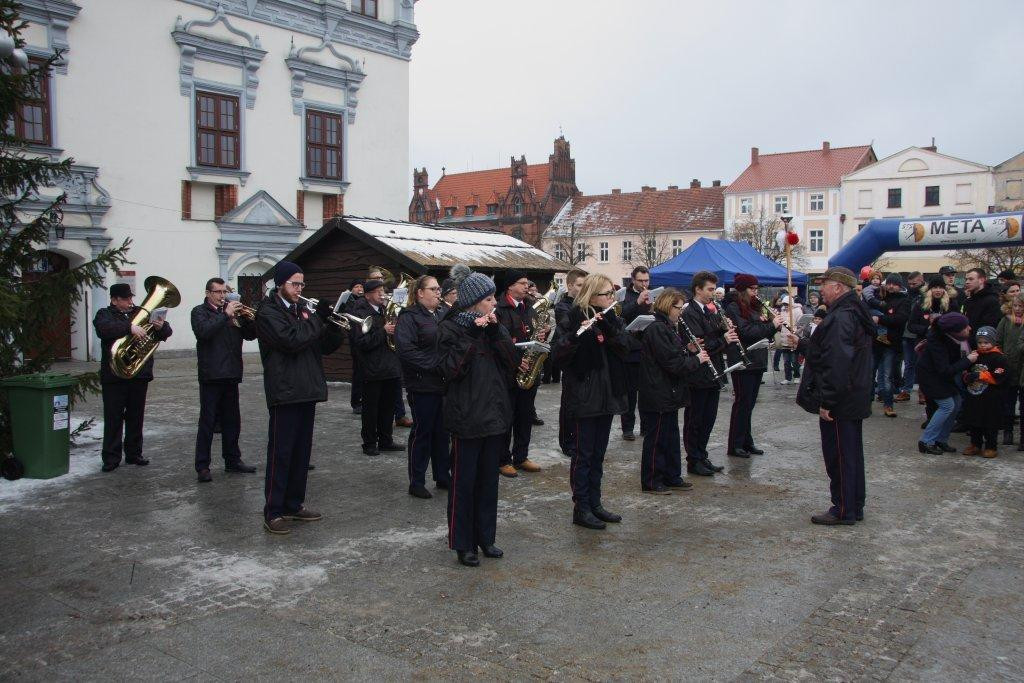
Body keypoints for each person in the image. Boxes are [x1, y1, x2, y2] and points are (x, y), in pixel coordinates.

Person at [437, 264, 517, 567]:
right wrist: (471, 335)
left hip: (494, 415)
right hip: (466, 416)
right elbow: (449, 370)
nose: (494, 303)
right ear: (473, 302)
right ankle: (462, 543)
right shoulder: (451, 327)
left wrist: (497, 333)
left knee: (488, 483)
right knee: (464, 483)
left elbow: (513, 362)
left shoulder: (496, 325)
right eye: (488, 299)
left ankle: (486, 538)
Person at [256, 261, 344, 534]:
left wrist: (332, 323)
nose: (299, 289)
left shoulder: (301, 311)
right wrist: (316, 319)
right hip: (284, 391)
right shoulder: (268, 312)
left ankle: (293, 504)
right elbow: (291, 341)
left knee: (301, 453)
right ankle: (273, 510)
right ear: (280, 284)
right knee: (281, 453)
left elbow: (326, 345)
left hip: (306, 388)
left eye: (302, 284)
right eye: (294, 284)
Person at [791, 267, 873, 526]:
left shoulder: (842, 317)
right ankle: (853, 504)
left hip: (841, 399)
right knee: (851, 454)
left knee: (840, 455)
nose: (820, 290)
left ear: (838, 287)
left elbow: (837, 362)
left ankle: (843, 508)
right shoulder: (850, 313)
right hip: (852, 395)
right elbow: (828, 351)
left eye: (824, 284)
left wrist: (828, 401)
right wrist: (804, 344)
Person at [553, 273, 629, 529]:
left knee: (598, 454)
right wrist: (578, 334)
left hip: (608, 394)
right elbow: (560, 353)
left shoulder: (610, 317)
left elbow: (626, 346)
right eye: (607, 294)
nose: (611, 298)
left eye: (612, 294)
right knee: (583, 455)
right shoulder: (573, 316)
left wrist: (609, 326)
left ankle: (596, 503)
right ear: (593, 295)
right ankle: (581, 507)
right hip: (584, 395)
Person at [93, 282, 173, 472]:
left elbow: (167, 332)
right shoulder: (104, 314)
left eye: (131, 298)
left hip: (139, 374)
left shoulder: (141, 312)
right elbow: (103, 329)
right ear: (114, 300)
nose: (131, 301)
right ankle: (111, 458)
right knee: (113, 417)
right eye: (126, 299)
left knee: (136, 416)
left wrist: (160, 326)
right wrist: (129, 328)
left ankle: (134, 453)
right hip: (114, 375)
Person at [639, 289, 708, 493]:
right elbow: (671, 363)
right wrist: (696, 360)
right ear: (669, 306)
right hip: (658, 392)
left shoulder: (667, 327)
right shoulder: (658, 328)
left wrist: (688, 350)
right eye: (679, 308)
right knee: (657, 439)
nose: (680, 312)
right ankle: (651, 480)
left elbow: (672, 354)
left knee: (670, 437)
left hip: (669, 392)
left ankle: (671, 475)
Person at [190, 277, 258, 483]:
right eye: (218, 292)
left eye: (224, 292)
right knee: (208, 422)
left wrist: (248, 319)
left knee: (232, 421)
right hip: (211, 375)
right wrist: (224, 315)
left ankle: (232, 460)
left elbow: (250, 335)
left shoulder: (233, 313)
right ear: (208, 293)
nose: (222, 296)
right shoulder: (199, 312)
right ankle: (202, 466)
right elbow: (204, 333)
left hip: (231, 373)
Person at [395, 275, 450, 498]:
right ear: (420, 293)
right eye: (433, 289)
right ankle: (416, 481)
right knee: (422, 432)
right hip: (422, 384)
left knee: (442, 433)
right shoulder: (409, 316)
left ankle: (442, 475)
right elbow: (406, 350)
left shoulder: (442, 313)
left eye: (439, 289)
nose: (439, 292)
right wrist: (436, 365)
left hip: (443, 384)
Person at [681, 270, 738, 477]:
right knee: (695, 419)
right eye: (710, 289)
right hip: (698, 375)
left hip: (713, 373)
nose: (713, 293)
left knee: (709, 418)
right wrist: (724, 338)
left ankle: (702, 455)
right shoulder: (690, 313)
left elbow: (713, 339)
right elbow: (700, 344)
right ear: (698, 289)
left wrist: (725, 329)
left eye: (714, 289)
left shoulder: (711, 311)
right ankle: (693, 459)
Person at [725, 274, 785, 457]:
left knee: (749, 404)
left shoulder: (755, 307)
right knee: (742, 403)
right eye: (752, 289)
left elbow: (760, 329)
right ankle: (735, 444)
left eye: (756, 289)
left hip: (757, 359)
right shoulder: (734, 308)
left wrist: (774, 324)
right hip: (743, 361)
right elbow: (746, 332)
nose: (755, 292)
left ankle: (746, 440)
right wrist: (771, 325)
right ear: (742, 290)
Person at [495, 269, 547, 477]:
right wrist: (517, 361)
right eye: (522, 283)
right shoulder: (500, 309)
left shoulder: (529, 307)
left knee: (525, 417)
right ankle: (502, 459)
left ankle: (521, 456)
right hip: (509, 371)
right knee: (507, 418)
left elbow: (534, 330)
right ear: (509, 286)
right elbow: (500, 341)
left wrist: (543, 333)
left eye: (527, 283)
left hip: (528, 370)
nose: (527, 286)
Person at [349, 279, 405, 456]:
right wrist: (384, 331)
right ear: (367, 295)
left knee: (387, 408)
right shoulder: (360, 312)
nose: (382, 294)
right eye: (378, 291)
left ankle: (386, 440)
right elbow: (361, 342)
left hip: (389, 367)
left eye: (383, 290)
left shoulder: (383, 310)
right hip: (372, 368)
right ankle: (369, 443)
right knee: (371, 409)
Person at [915, 313, 974, 455]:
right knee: (947, 406)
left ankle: (941, 439)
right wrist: (967, 361)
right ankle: (926, 441)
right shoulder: (937, 342)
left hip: (941, 377)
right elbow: (944, 370)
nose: (969, 328)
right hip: (930, 377)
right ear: (954, 331)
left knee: (957, 402)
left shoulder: (952, 337)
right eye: (965, 327)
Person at [866, 274, 910, 418]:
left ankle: (888, 404)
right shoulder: (880, 295)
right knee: (869, 374)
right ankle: (867, 404)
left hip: (891, 343)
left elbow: (900, 319)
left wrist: (881, 319)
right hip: (874, 342)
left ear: (899, 285)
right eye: (889, 283)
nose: (891, 286)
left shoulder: (904, 300)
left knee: (886, 376)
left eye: (894, 284)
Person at [961, 326, 1007, 458]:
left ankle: (991, 446)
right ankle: (975, 444)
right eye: (980, 342)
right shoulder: (975, 355)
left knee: (990, 424)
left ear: (993, 342)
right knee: (974, 421)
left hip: (991, 398)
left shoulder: (999, 358)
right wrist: (966, 377)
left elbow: (1000, 376)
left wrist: (980, 376)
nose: (983, 345)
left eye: (986, 342)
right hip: (974, 396)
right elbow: (965, 370)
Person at [908, 276, 953, 409]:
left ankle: (943, 406)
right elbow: (911, 325)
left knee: (942, 376)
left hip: (945, 345)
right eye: (935, 287)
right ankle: (929, 409)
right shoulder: (921, 304)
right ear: (930, 289)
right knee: (927, 375)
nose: (938, 290)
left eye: (940, 287)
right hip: (925, 345)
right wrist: (926, 329)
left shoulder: (951, 304)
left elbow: (956, 323)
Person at [556, 270, 586, 459]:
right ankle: (567, 442)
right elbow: (569, 327)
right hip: (569, 360)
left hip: (583, 358)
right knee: (568, 403)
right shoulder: (562, 306)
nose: (583, 289)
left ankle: (579, 439)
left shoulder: (583, 305)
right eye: (580, 285)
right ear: (570, 286)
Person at [619, 266, 652, 440]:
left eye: (647, 280)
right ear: (633, 280)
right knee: (630, 393)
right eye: (641, 281)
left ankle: (646, 427)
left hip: (648, 349)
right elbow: (621, 315)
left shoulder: (652, 295)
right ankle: (628, 428)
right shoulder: (625, 295)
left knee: (647, 393)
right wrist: (637, 302)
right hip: (631, 350)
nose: (644, 284)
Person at [995, 293, 1024, 447]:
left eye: (1021, 306)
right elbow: (998, 341)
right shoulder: (1005, 321)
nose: (1018, 309)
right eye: (1015, 306)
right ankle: (1008, 431)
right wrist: (1002, 359)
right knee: (1009, 402)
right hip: (1010, 366)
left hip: (1023, 368)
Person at [895, 273, 926, 402]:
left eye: (915, 284)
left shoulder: (926, 296)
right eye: (910, 284)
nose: (912, 286)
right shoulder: (907, 296)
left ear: (921, 281)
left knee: (922, 365)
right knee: (908, 364)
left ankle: (923, 391)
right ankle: (906, 390)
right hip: (907, 334)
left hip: (920, 335)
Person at [961, 268, 1002, 343]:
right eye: (966, 279)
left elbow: (990, 326)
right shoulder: (968, 301)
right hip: (968, 343)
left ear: (981, 280)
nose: (967, 282)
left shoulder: (992, 301)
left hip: (983, 345)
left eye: (971, 279)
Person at [344, 278, 365, 415]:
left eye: (361, 286)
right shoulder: (348, 301)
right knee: (358, 372)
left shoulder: (364, 301)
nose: (359, 289)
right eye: (357, 286)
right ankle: (356, 402)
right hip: (355, 340)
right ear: (351, 289)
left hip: (365, 338)